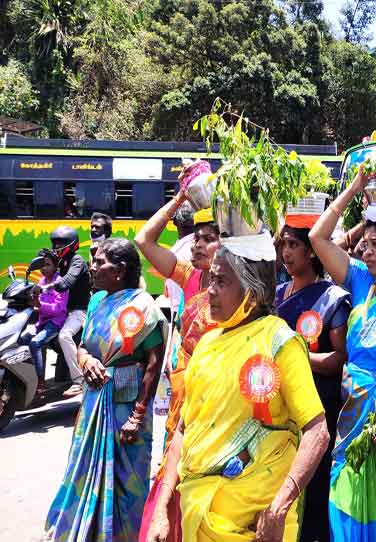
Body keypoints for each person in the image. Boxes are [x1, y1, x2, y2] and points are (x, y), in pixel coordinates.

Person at [146, 244, 330, 542]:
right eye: (212, 280)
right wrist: (162, 508)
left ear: (252, 291)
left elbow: (317, 432)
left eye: (222, 282)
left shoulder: (279, 341)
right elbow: (183, 429)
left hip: (256, 525)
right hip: (198, 515)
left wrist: (278, 508)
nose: (211, 292)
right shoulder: (206, 345)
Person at [309, 168, 376, 541]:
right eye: (364, 244)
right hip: (349, 418)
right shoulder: (359, 281)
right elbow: (317, 236)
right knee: (342, 498)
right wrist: (355, 188)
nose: (366, 251)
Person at [45, 238, 166, 542]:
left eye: (100, 262)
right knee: (86, 471)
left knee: (126, 483)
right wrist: (85, 360)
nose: (93, 267)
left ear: (120, 270)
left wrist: (137, 416)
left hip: (127, 408)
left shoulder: (143, 306)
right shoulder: (98, 300)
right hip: (94, 404)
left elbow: (154, 362)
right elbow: (84, 345)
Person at [135, 196, 220, 542]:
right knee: (176, 464)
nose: (197, 245)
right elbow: (144, 241)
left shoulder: (244, 288)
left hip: (218, 394)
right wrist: (181, 197)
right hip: (183, 391)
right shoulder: (188, 276)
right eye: (196, 237)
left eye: (208, 238)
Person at [275, 225, 351, 542]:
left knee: (312, 483)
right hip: (278, 405)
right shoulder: (277, 294)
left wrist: (295, 360)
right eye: (283, 244)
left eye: (294, 244)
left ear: (312, 251)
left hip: (316, 404)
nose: (286, 252)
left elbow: (338, 359)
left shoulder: (332, 299)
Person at [47, 226, 92, 398]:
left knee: (64, 336)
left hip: (79, 310)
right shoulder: (62, 261)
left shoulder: (77, 260)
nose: (56, 247)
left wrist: (53, 285)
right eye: (54, 243)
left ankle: (79, 380)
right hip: (64, 310)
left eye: (59, 243)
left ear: (70, 244)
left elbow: (67, 281)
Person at [19, 249, 68, 395]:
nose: (43, 267)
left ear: (55, 266)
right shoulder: (41, 281)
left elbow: (59, 309)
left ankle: (41, 382)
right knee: (21, 340)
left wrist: (40, 305)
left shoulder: (59, 282)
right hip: (42, 322)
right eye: (41, 264)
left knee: (35, 343)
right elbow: (37, 303)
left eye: (47, 264)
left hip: (55, 323)